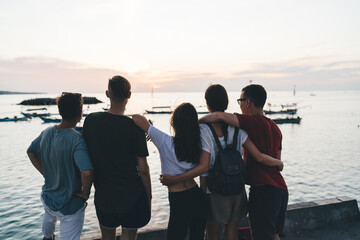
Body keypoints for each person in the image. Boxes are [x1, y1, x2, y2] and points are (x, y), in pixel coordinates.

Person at [160, 84, 283, 240]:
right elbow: (257, 154)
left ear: (207, 103)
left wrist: (203, 193)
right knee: (232, 233)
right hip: (237, 189)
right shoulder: (239, 128)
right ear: (226, 102)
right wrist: (277, 163)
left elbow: (204, 167)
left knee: (213, 235)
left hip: (216, 191)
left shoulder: (204, 129)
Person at [198, 84, 288, 240]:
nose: (239, 105)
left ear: (248, 102)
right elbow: (277, 161)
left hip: (262, 191)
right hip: (280, 189)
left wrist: (193, 123)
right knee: (273, 234)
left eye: (240, 101)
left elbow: (218, 116)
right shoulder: (275, 128)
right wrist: (277, 163)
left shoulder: (249, 122)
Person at [82, 75, 151, 240]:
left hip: (104, 196)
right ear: (129, 95)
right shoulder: (134, 127)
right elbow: (143, 169)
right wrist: (149, 195)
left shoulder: (91, 121)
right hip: (133, 196)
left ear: (107, 93)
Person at [132, 103, 208, 240]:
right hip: (197, 196)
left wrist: (149, 128)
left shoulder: (164, 141)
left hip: (179, 199)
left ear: (174, 123)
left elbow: (136, 118)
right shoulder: (199, 143)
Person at [27, 92, 94, 240]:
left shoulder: (47, 132)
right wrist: (85, 192)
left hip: (49, 196)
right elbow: (87, 172)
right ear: (80, 114)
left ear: (60, 111)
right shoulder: (77, 140)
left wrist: (45, 173)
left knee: (49, 216)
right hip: (70, 203)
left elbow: (31, 152)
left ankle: (47, 236)